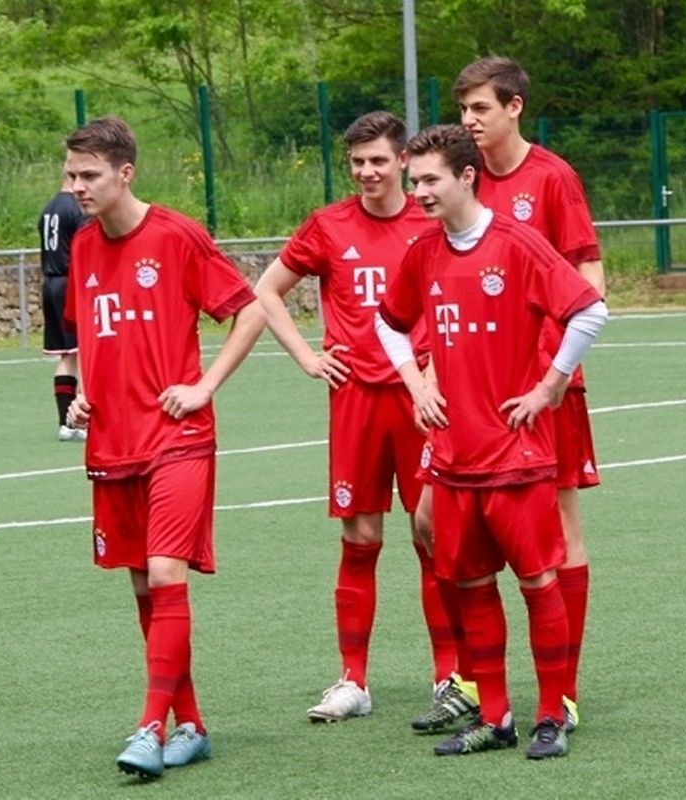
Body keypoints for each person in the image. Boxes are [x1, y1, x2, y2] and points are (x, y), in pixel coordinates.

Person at [377, 124, 607, 759]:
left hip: (515, 456)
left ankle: (552, 715)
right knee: (473, 588)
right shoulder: (423, 253)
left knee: (538, 583)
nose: (419, 192)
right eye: (414, 181)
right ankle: (497, 718)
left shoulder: (517, 243)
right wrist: (415, 384)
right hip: (454, 459)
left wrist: (550, 386)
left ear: (466, 176)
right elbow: (389, 323)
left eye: (430, 180)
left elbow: (589, 309)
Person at [254, 110, 476, 727]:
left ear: (403, 160)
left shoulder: (431, 219)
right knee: (359, 538)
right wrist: (308, 357)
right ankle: (353, 680)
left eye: (378, 160)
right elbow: (266, 290)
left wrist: (438, 366)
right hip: (355, 399)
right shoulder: (328, 225)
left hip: (423, 399)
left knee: (431, 535)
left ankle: (449, 674)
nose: (367, 172)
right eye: (357, 162)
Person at [61, 116, 266, 779]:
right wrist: (85, 394)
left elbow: (251, 310)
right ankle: (191, 725)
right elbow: (96, 337)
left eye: (89, 175)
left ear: (125, 173)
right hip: (112, 442)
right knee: (143, 585)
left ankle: (150, 726)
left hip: (178, 439)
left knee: (166, 575)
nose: (76, 187)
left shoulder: (176, 236)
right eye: (70, 175)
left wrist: (205, 386)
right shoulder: (83, 246)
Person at [452, 55, 606, 732]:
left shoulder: (551, 177)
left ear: (514, 107)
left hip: (543, 389)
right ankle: (470, 680)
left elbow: (589, 278)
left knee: (559, 527)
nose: (469, 120)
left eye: (480, 108)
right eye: (463, 110)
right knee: (437, 525)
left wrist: (555, 373)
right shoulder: (462, 177)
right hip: (473, 389)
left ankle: (561, 691)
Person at [38, 173, 87, 441]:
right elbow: (85, 247)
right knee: (86, 352)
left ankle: (66, 424)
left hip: (50, 283)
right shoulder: (77, 208)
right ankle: (82, 420)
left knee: (67, 357)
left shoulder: (48, 209)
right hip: (71, 284)